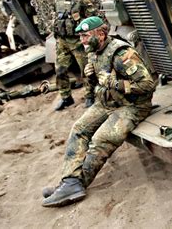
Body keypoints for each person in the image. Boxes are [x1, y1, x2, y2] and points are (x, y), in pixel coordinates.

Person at [42, 16, 156, 207]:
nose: (82, 41)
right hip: (106, 103)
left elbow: (147, 85)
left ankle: (77, 184)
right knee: (78, 129)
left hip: (132, 107)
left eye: (86, 36)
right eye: (80, 37)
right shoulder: (93, 52)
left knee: (101, 139)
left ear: (101, 34)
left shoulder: (121, 53)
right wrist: (89, 78)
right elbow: (97, 83)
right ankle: (69, 181)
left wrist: (116, 83)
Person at [53, 0, 97, 111]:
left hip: (79, 41)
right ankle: (66, 97)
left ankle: (90, 96)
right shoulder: (58, 1)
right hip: (62, 41)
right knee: (60, 70)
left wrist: (88, 36)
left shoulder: (83, 0)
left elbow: (93, 18)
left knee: (86, 70)